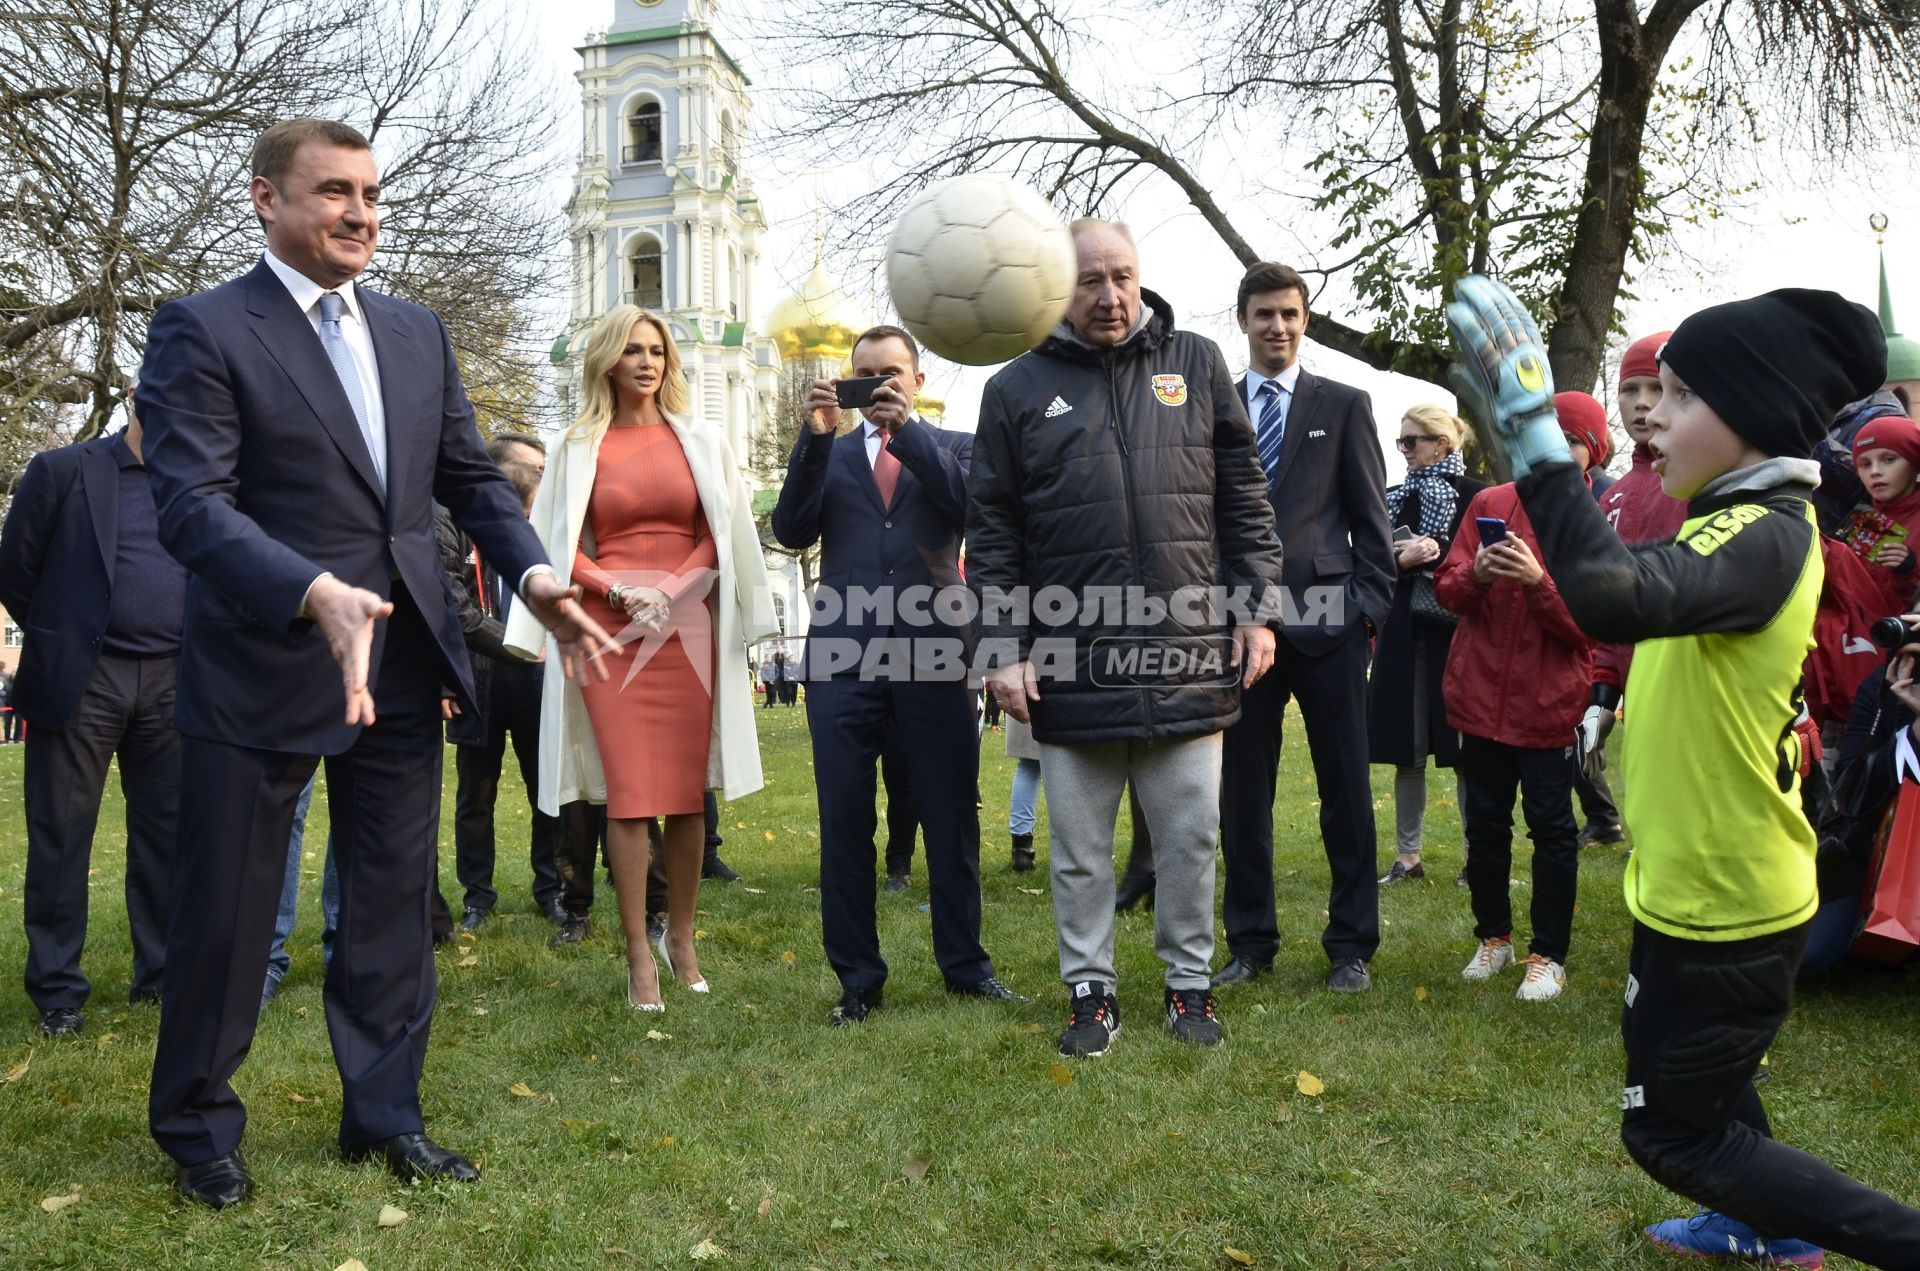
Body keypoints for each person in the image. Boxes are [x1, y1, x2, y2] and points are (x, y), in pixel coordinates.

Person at [138, 118, 613, 1208]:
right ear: (267, 200)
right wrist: (307, 590)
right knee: (230, 911)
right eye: (335, 192)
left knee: (395, 903)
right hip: (263, 662)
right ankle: (199, 1125)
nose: (361, 212)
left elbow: (473, 479)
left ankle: (385, 1114)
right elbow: (190, 507)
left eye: (371, 193)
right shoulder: (202, 330)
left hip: (402, 661)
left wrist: (535, 575)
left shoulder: (414, 331)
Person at [1450, 275, 1920, 1265]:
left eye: (1682, 393)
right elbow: (1633, 612)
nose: (1651, 411)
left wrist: (1535, 434)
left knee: (1670, 1128)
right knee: (1700, 1082)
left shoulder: (1769, 533)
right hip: (1690, 887)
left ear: (1752, 416)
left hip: (1730, 902)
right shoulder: (1724, 518)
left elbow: (1612, 591)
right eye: (1651, 390)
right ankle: (1759, 1225)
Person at [968, 219, 1284, 1055]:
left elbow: (1244, 496)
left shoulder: (1198, 364)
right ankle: (1090, 992)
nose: (1109, 297)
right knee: (1078, 851)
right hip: (1068, 661)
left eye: (1123, 277)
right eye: (1088, 281)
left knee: (1190, 838)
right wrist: (1001, 646)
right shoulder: (1014, 389)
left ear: (1141, 277)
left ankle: (1189, 985)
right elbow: (992, 532)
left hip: (1186, 652)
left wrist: (1254, 607)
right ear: (1056, 290)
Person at [505, 304, 773, 1011]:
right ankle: (636, 956)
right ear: (607, 362)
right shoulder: (575, 444)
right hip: (606, 630)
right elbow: (560, 543)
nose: (648, 362)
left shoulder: (702, 438)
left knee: (686, 794)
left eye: (657, 350)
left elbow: (723, 527)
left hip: (688, 623)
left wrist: (676, 587)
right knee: (626, 794)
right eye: (632, 351)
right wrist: (621, 589)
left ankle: (679, 938)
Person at [772, 323, 1017, 1025]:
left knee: (948, 817)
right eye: (865, 374)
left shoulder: (957, 445)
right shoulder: (833, 451)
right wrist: (814, 437)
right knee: (845, 820)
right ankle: (858, 978)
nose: (879, 384)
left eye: (892, 372)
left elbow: (969, 510)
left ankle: (965, 967)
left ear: (918, 379)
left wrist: (907, 434)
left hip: (935, 653)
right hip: (843, 659)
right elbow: (792, 528)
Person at [1216, 261, 1395, 994]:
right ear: (1244, 320)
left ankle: (1351, 943)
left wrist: (1365, 610)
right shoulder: (1212, 405)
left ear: (1306, 320)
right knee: (1241, 795)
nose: (1278, 327)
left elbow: (1371, 521)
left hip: (1329, 625)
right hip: (1237, 631)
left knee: (1345, 790)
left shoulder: (1346, 403)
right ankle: (1250, 942)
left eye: (1290, 314)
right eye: (1265, 314)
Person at [0, 392, 185, 1037]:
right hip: (83, 681)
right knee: (61, 837)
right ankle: (58, 993)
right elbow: (15, 571)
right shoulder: (62, 470)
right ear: (135, 399)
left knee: (168, 838)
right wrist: (63, 638)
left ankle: (160, 976)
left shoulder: (204, 483)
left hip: (175, 681)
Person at [1435, 393, 1604, 1001]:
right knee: (1484, 826)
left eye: (1568, 438)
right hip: (1479, 699)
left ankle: (1548, 954)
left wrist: (1538, 584)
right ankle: (1494, 938)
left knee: (1553, 830)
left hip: (1548, 705)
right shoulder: (1490, 502)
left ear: (1591, 450)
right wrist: (1475, 574)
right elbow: (1449, 592)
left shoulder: (1590, 516)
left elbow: (1592, 624)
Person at [444, 457, 563, 929]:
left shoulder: (542, 539)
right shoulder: (461, 533)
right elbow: (449, 612)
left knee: (545, 792)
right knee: (475, 796)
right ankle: (478, 897)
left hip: (537, 683)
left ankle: (551, 889)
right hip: (476, 682)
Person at [1368, 405, 1484, 885]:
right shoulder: (1393, 498)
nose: (1404, 451)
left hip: (1459, 635)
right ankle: (1408, 857)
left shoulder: (1477, 496)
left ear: (1442, 443)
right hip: (1403, 634)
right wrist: (1399, 559)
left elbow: (1484, 558)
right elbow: (1368, 563)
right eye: (1400, 442)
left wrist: (1434, 560)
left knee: (1464, 753)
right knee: (1407, 751)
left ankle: (1477, 857)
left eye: (1411, 441)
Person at [1581, 331, 1685, 847]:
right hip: (1637, 695)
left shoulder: (1702, 485)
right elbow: (1609, 606)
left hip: (1692, 691)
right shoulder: (1614, 496)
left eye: (1656, 388)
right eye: (1630, 389)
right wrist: (1603, 694)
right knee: (1651, 824)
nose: (1642, 403)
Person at [1840, 412, 1920, 617]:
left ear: (1914, 462)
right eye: (1865, 464)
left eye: (1889, 459)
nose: (1875, 471)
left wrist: (1909, 570)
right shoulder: (1863, 521)